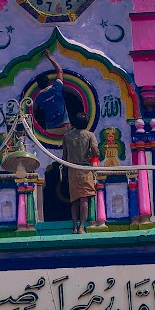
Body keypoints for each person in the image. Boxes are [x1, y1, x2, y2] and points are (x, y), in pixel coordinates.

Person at [46, 53, 100, 233]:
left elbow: (64, 156)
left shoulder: (67, 137)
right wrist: (95, 154)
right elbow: (95, 153)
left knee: (74, 200)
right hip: (84, 169)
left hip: (72, 169)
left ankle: (75, 226)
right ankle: (83, 226)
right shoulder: (90, 135)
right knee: (84, 199)